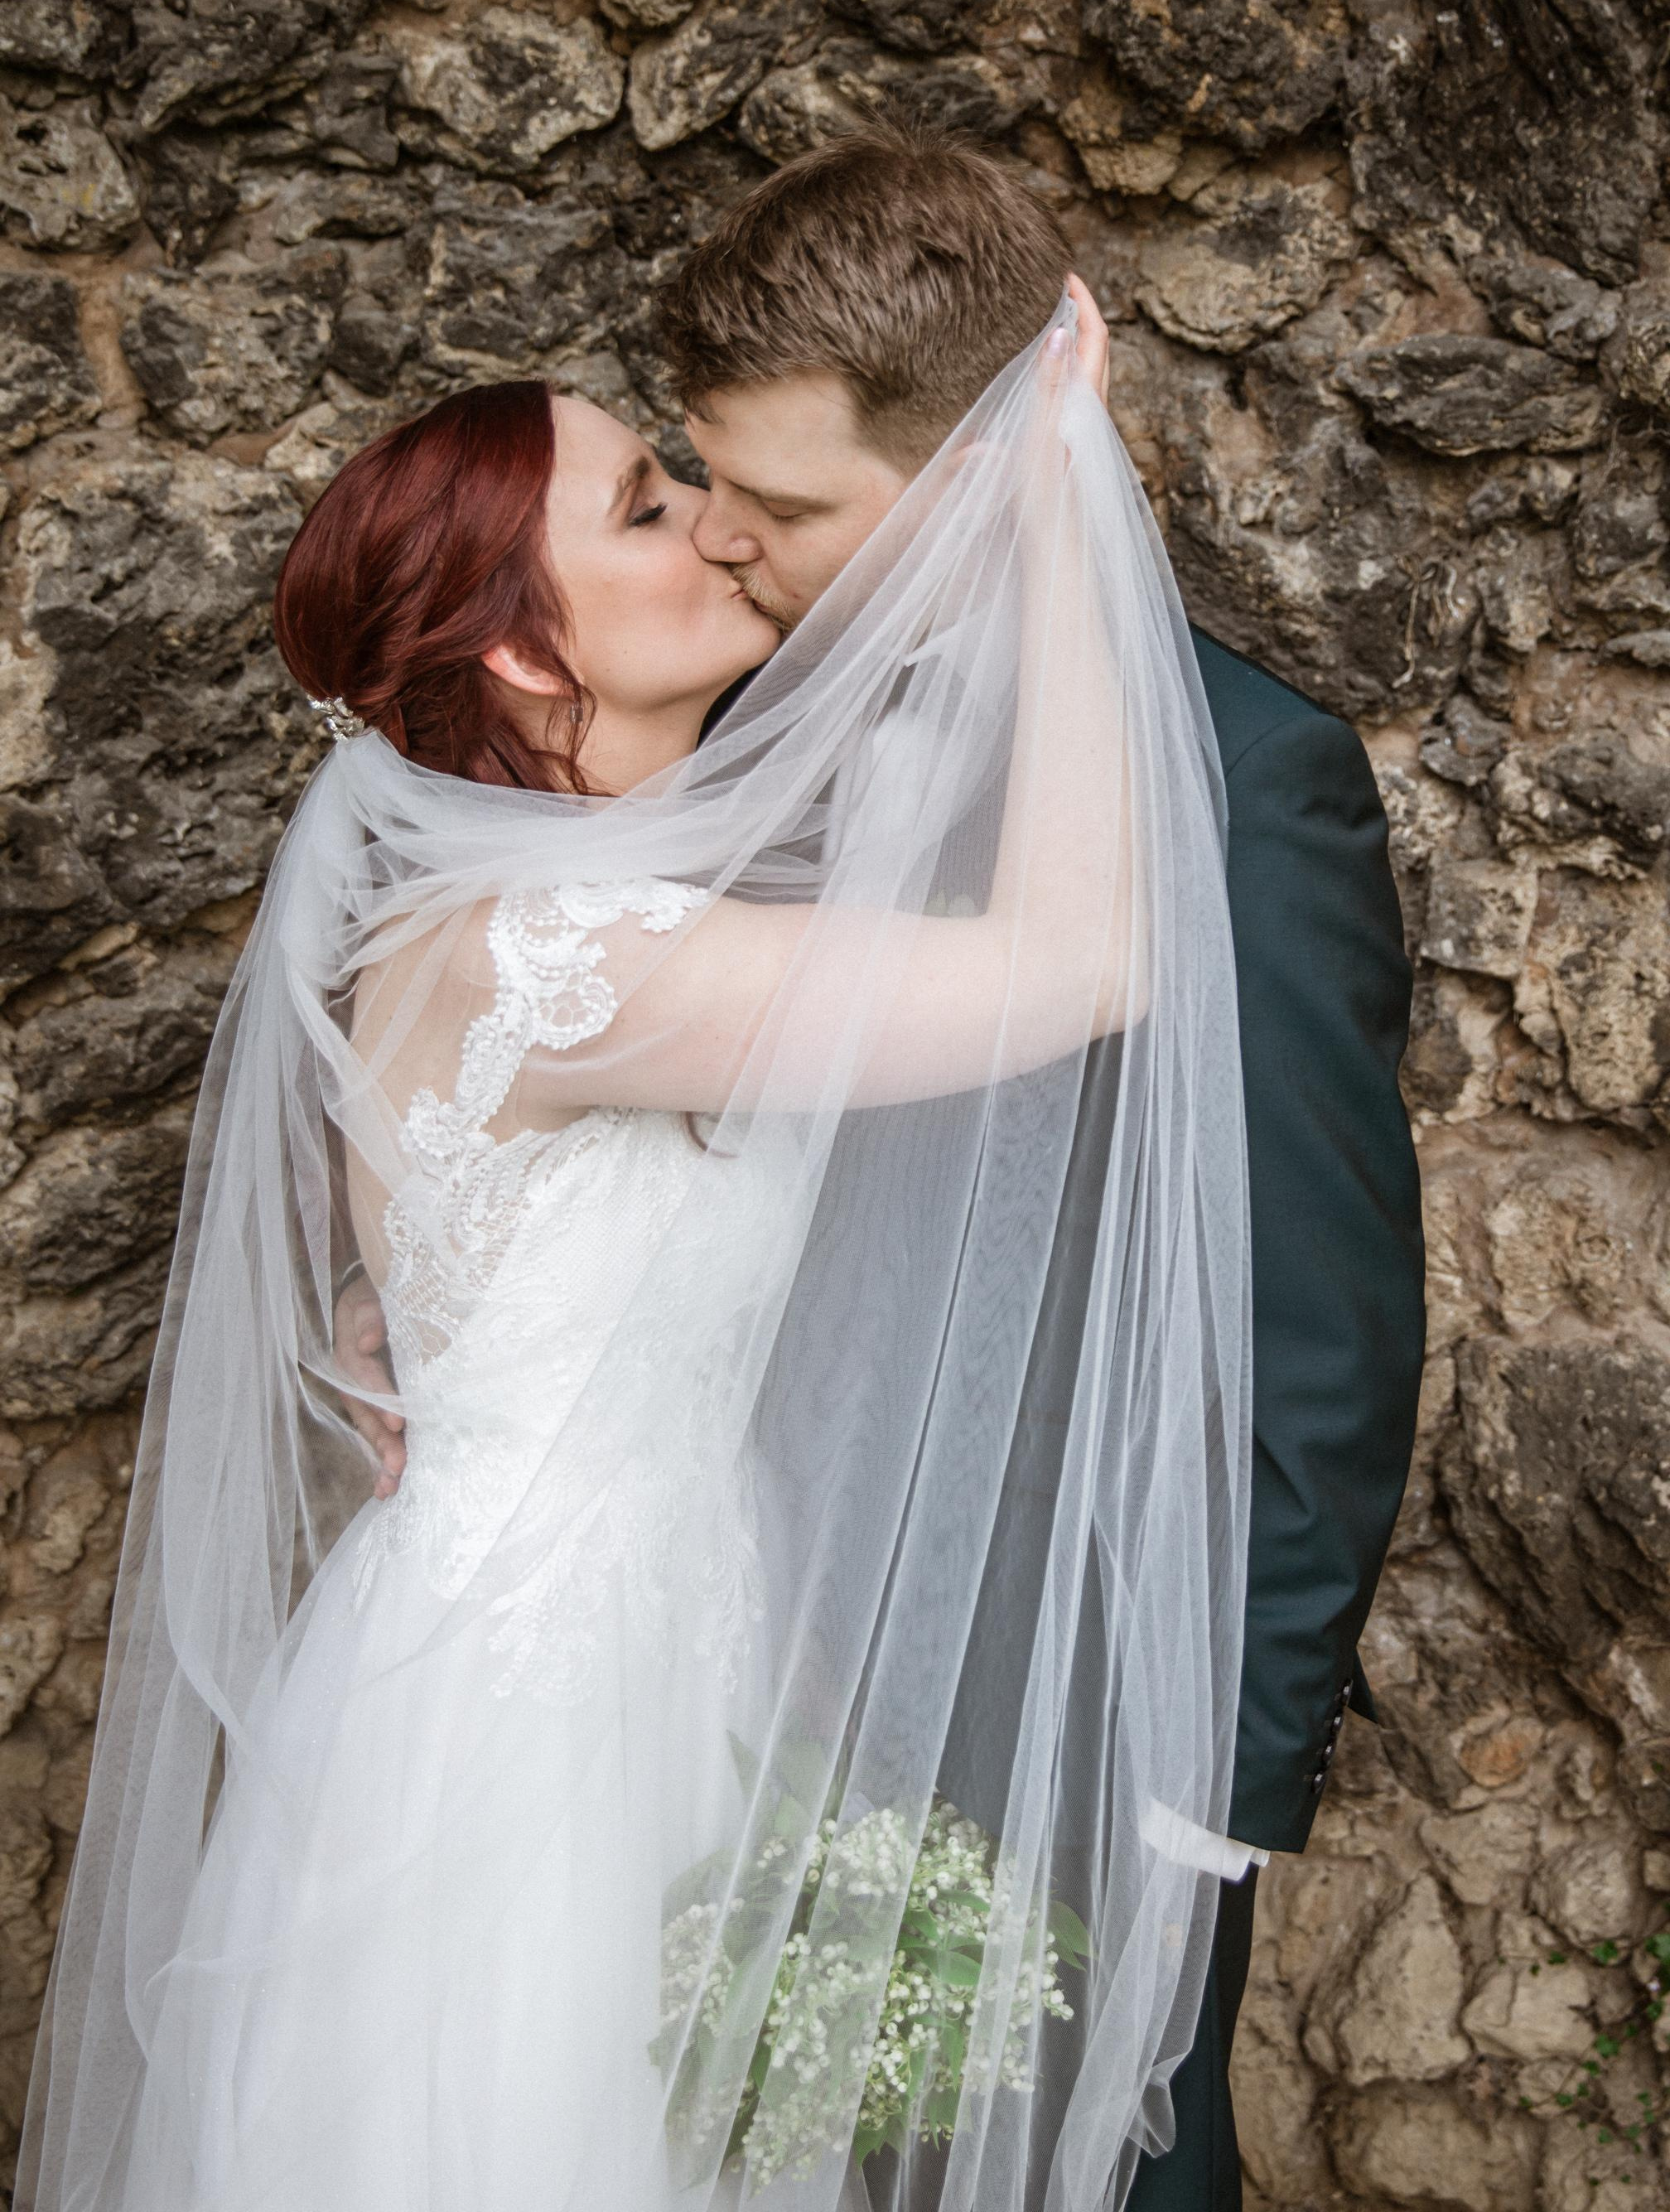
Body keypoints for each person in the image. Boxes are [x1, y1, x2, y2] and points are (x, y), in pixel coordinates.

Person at [20, 254, 1257, 2210]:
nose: (715, 521)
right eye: (646, 505)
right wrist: (1045, 490)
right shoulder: (563, 953)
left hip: (671, 1642)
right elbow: (1082, 959)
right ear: (526, 655)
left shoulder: (586, 909)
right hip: (534, 1730)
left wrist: (380, 1317)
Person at [337, 117, 1426, 2208]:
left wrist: (1218, 1798)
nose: (728, 550)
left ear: (980, 475)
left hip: (1077, 1719)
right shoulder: (714, 751)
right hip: (706, 1676)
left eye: (777, 505)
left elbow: (1322, 1330)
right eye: (694, 490)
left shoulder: (1254, 787)